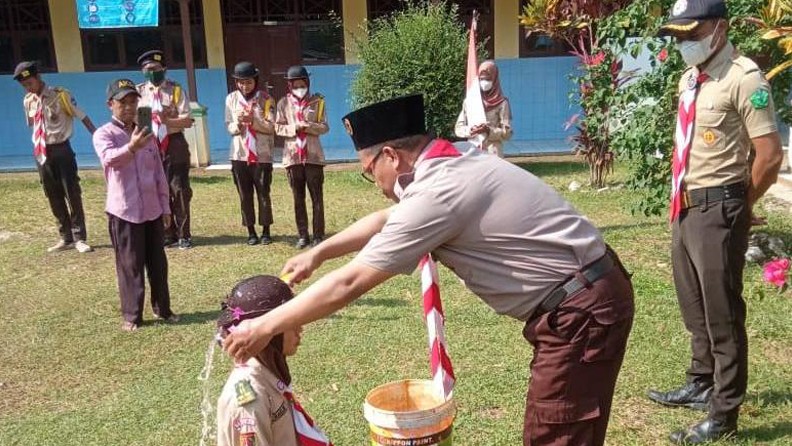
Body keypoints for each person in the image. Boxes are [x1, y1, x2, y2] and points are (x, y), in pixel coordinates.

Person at [224, 94, 635, 446]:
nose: (379, 185)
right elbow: (388, 219)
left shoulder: (439, 192)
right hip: (586, 294)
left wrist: (264, 326)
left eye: (370, 174)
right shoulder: (451, 161)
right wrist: (320, 252)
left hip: (581, 312)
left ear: (391, 155)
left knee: (556, 433)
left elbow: (351, 282)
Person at [648, 1, 784, 444]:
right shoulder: (691, 78)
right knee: (694, 305)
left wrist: (740, 205)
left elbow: (769, 155)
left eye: (692, 32)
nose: (685, 42)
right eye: (679, 35)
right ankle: (701, 381)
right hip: (685, 206)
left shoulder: (743, 78)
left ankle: (724, 412)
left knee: (722, 313)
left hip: (718, 206)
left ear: (720, 29)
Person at [93, 79, 180, 332]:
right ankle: (132, 315)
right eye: (123, 102)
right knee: (130, 265)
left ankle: (163, 309)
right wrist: (131, 147)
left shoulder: (146, 134)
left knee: (158, 263)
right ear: (111, 104)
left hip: (152, 210)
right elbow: (110, 160)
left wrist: (165, 207)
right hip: (125, 211)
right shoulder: (104, 134)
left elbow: (158, 174)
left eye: (133, 102)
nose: (129, 107)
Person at [216, 275, 331, 446]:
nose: (300, 328)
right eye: (290, 322)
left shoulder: (268, 373)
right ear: (266, 335)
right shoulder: (249, 401)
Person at [14, 61, 96, 253]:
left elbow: (82, 116)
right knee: (52, 195)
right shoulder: (28, 101)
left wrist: (99, 136)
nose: (27, 87)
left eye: (30, 83)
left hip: (62, 150)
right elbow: (33, 125)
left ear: (38, 78)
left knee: (72, 193)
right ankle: (65, 236)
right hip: (42, 152)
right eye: (24, 85)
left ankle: (79, 238)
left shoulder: (61, 95)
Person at [136, 50, 195, 249]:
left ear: (164, 69)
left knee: (179, 189)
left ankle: (183, 234)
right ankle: (167, 233)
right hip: (150, 146)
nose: (152, 73)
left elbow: (187, 120)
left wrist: (166, 120)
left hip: (174, 143)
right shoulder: (138, 93)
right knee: (157, 190)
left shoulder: (176, 90)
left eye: (155, 69)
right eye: (147, 69)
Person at [275, 65, 329, 249]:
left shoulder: (318, 102)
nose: (299, 88)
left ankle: (318, 235)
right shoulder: (283, 103)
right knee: (298, 198)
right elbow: (278, 127)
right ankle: (303, 235)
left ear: (307, 83)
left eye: (302, 84)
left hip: (313, 156)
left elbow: (324, 127)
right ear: (290, 86)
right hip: (293, 158)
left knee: (317, 197)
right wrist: (294, 128)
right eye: (295, 85)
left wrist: (309, 126)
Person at [225, 61, 276, 246]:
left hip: (261, 154)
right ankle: (251, 231)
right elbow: (228, 124)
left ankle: (266, 230)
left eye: (248, 82)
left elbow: (271, 126)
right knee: (244, 194)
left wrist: (253, 120)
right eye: (240, 82)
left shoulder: (266, 99)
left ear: (255, 81)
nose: (244, 86)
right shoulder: (231, 99)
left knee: (263, 192)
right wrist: (237, 125)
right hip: (239, 154)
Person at [454, 60, 513, 157]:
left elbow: (507, 134)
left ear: (494, 79)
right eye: (481, 79)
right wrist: (471, 130)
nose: (484, 82)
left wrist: (488, 130)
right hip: (473, 150)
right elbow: (458, 128)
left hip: (493, 152)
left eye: (488, 79)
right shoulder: (470, 101)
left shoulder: (502, 103)